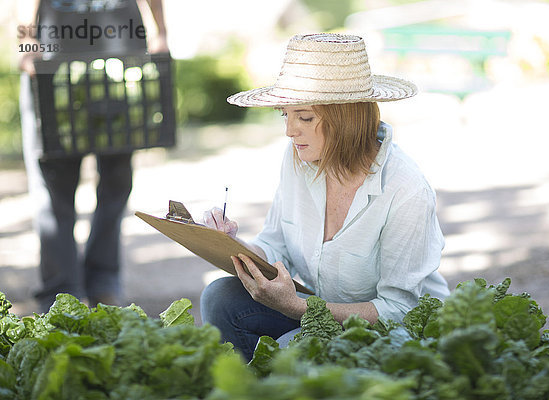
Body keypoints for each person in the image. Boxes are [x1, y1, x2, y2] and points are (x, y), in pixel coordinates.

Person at [200, 33, 449, 361]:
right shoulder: (299, 161)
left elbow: (398, 311)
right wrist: (231, 245)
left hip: (395, 334)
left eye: (304, 117)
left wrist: (296, 306)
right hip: (323, 312)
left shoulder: (406, 190)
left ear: (346, 118)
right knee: (219, 297)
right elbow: (276, 247)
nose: (290, 130)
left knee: (294, 352)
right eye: (284, 114)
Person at [18, 0, 169, 311]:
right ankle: (61, 293)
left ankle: (103, 283)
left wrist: (161, 32)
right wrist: (26, 38)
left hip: (121, 46)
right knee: (52, 183)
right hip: (54, 49)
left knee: (116, 179)